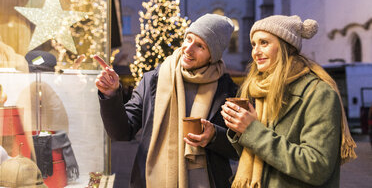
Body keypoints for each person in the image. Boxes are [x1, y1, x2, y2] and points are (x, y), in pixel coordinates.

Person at [95, 14, 239, 188]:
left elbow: (238, 148)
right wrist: (111, 95)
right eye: (188, 39)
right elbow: (121, 132)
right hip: (153, 180)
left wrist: (214, 136)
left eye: (200, 45)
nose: (188, 48)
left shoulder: (227, 90)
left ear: (213, 55)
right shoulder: (153, 81)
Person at [221, 15, 357, 188]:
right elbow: (260, 153)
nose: (256, 51)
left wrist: (252, 130)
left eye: (264, 43)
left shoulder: (318, 93)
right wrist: (240, 131)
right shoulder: (261, 90)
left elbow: (316, 167)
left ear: (286, 46)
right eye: (254, 44)